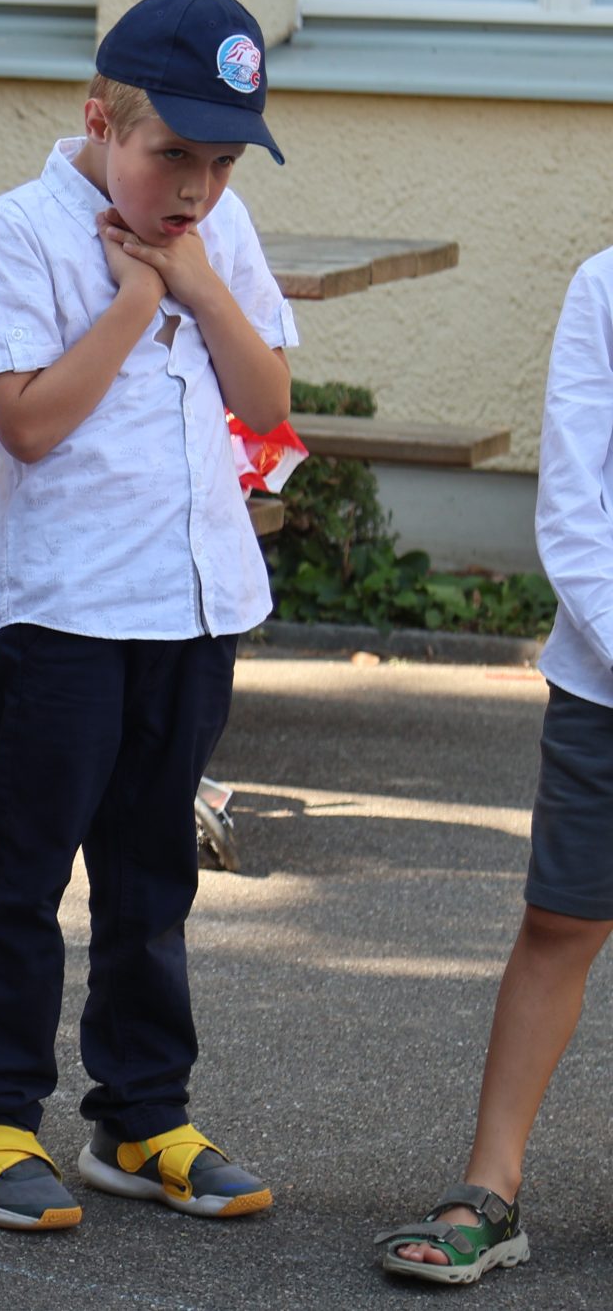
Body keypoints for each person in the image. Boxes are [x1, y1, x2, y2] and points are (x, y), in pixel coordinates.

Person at [0, 0, 292, 1231]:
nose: (195, 187)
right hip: (70, 614)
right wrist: (138, 301)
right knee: (24, 873)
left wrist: (196, 283)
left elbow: (264, 400)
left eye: (222, 163)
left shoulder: (213, 233)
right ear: (99, 119)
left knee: (151, 879)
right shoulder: (22, 228)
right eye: (172, 155)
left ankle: (139, 1116)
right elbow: (25, 425)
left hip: (192, 608)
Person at [373, 247, 613, 1285]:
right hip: (607, 677)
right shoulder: (605, 286)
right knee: (561, 924)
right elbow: (572, 509)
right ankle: (490, 1189)